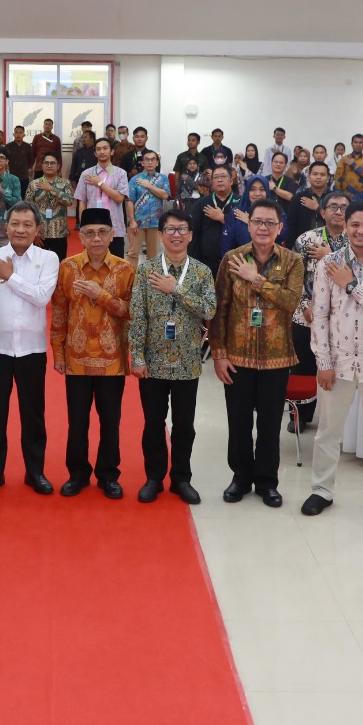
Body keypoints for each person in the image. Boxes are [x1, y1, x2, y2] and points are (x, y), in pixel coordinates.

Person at [300, 200, 363, 523]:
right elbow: (319, 315)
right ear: (345, 227)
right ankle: (322, 490)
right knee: (327, 433)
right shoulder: (328, 263)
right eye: (354, 225)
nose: (360, 231)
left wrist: (351, 285)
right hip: (339, 361)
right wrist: (323, 362)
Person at [211, 199, 304, 509]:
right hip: (237, 356)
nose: (263, 228)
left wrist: (256, 279)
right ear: (248, 225)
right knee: (238, 423)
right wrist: (219, 353)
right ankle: (240, 478)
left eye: (270, 223)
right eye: (257, 222)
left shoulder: (292, 261)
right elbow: (220, 309)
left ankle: (267, 482)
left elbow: (291, 301)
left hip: (277, 357)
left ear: (280, 228)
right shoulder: (232, 258)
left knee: (269, 424)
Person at [128, 207, 216, 504]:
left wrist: (176, 289)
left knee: (184, 426)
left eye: (182, 230)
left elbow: (209, 309)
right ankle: (154, 477)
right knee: (153, 424)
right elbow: (137, 315)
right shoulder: (147, 270)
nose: (176, 235)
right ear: (161, 234)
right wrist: (137, 357)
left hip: (187, 363)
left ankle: (181, 478)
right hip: (153, 362)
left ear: (190, 235)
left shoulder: (202, 272)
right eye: (170, 229)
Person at [0, 201, 59, 496]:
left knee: (33, 414)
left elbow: (41, 297)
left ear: (37, 229)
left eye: (27, 225)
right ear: (6, 227)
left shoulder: (48, 259)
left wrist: (10, 276)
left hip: (32, 351)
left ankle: (35, 472)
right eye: (15, 224)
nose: (21, 230)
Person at [51, 208, 137, 498]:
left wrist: (101, 296)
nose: (96, 238)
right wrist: (58, 353)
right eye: (89, 233)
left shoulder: (125, 270)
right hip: (76, 359)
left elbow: (132, 313)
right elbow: (59, 312)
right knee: (77, 422)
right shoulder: (68, 267)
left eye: (102, 232)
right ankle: (77, 474)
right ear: (81, 237)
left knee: (110, 421)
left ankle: (108, 475)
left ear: (112, 236)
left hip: (112, 361)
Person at [289, 190, 350, 432]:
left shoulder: (356, 240)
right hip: (307, 316)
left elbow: (359, 277)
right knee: (303, 367)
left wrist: (330, 256)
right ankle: (300, 415)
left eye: (344, 207)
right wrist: (305, 306)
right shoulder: (306, 239)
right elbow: (294, 278)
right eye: (333, 206)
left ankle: (335, 421)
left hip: (343, 318)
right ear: (322, 212)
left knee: (338, 370)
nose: (339, 211)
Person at [75, 138, 129, 257]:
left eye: (105, 148)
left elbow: (119, 198)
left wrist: (100, 183)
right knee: (93, 263)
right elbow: (82, 201)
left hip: (115, 227)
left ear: (112, 151)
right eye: (98, 149)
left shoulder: (121, 173)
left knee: (116, 264)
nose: (102, 152)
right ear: (95, 153)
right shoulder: (86, 174)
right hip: (92, 227)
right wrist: (83, 224)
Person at [26, 151, 74, 259]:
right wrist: (34, 232)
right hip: (40, 234)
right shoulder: (34, 184)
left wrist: (51, 189)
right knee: (38, 264)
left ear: (58, 166)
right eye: (46, 163)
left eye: (52, 163)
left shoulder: (65, 183)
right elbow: (28, 210)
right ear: (42, 165)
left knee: (59, 264)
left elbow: (69, 201)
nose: (49, 165)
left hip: (59, 233)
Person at [191, 164, 237, 275]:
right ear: (212, 182)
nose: (220, 180)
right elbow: (193, 234)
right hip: (206, 263)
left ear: (231, 181)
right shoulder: (202, 203)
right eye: (216, 177)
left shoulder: (240, 202)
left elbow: (246, 230)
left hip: (235, 263)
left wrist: (222, 218)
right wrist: (193, 261)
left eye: (223, 176)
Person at [126, 150, 170, 262]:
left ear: (157, 162)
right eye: (147, 159)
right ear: (142, 163)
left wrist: (149, 186)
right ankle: (130, 274)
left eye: (153, 159)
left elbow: (165, 195)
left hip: (155, 222)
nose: (150, 162)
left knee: (153, 256)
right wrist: (132, 221)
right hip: (138, 222)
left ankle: (151, 274)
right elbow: (129, 201)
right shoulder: (135, 180)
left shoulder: (163, 178)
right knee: (132, 253)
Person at [223, 174, 277, 255]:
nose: (257, 193)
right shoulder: (236, 213)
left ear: (267, 192)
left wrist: (252, 222)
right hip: (240, 260)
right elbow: (227, 244)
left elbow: (282, 235)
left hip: (270, 259)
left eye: (262, 189)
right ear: (247, 191)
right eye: (252, 189)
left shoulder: (275, 212)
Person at [333, 134, 363, 199]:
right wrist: (337, 194)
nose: (358, 145)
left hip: (362, 196)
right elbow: (338, 176)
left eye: (360, 142)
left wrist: (354, 165)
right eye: (356, 142)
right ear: (352, 144)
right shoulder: (344, 159)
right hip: (345, 196)